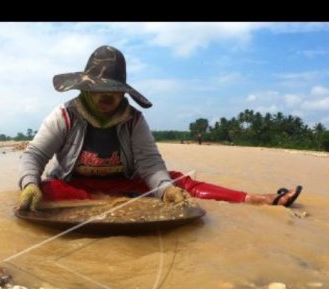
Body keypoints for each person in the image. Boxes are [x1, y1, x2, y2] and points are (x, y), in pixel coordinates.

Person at [17, 45, 302, 211]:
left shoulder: (134, 120)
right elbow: (34, 156)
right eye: (99, 89)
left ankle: (254, 199)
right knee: (44, 191)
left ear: (124, 93)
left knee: (179, 182)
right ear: (86, 89)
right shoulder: (65, 115)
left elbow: (150, 165)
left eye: (113, 91)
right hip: (75, 183)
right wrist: (29, 185)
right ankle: (106, 202)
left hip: (126, 182)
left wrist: (165, 190)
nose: (106, 96)